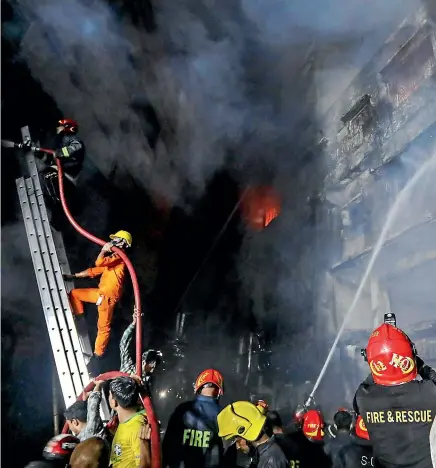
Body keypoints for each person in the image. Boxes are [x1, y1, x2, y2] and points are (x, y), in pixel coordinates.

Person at [354, 322, 436, 468]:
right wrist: (419, 364)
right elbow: (432, 376)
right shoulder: (430, 392)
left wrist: (381, 360)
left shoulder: (363, 398)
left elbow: (369, 382)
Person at [64, 231, 132, 371]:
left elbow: (99, 261)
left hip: (107, 298)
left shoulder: (119, 257)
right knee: (75, 294)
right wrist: (73, 276)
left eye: (116, 240)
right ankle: (80, 321)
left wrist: (104, 249)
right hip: (101, 294)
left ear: (123, 243)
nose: (113, 242)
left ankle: (97, 358)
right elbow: (93, 270)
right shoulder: (112, 261)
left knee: (103, 327)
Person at [162, 369, 224, 468]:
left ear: (197, 388)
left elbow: (167, 444)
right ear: (219, 392)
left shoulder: (182, 409)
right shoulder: (223, 414)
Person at [32, 118, 85, 230]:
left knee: (47, 176)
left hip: (67, 177)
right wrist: (39, 154)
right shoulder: (61, 142)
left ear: (68, 128)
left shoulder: (72, 139)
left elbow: (76, 147)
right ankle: (55, 212)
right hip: (61, 175)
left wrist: (61, 152)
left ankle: (58, 206)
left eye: (60, 126)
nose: (57, 128)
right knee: (44, 176)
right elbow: (52, 160)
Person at [218, 401, 288, 468]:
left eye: (237, 439)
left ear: (247, 434)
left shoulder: (270, 460)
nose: (238, 446)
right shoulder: (268, 453)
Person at [108, 376, 151, 468]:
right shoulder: (127, 422)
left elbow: (145, 465)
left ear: (114, 402)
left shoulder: (136, 427)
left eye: (109, 395)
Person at [120, 309, 162, 390]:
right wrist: (133, 324)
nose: (152, 371)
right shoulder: (128, 367)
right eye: (151, 366)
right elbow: (124, 343)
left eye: (154, 368)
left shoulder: (145, 382)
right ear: (143, 361)